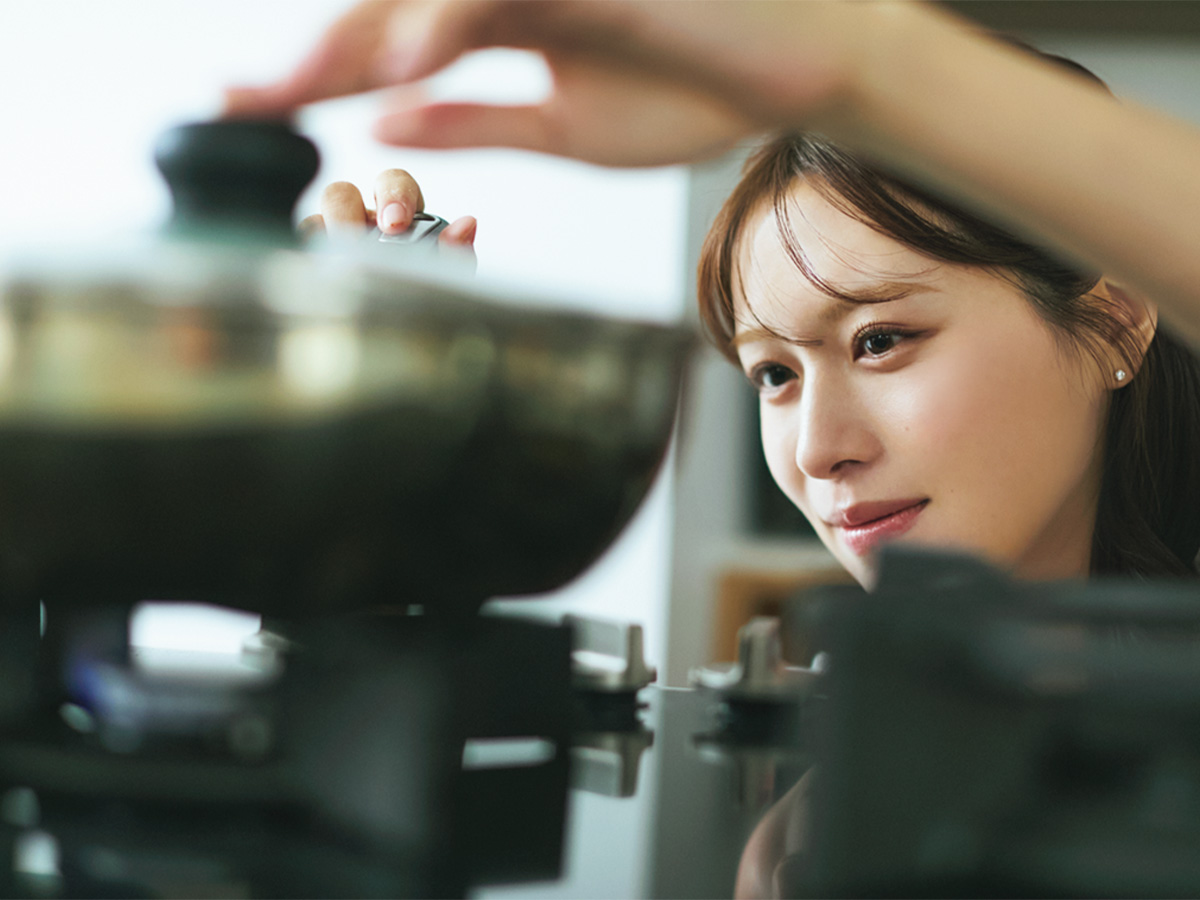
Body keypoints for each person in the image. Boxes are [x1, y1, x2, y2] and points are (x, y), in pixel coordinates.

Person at [225, 3, 1200, 894]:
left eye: (881, 341)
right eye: (774, 374)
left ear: (1114, 326)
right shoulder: (775, 749)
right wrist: (368, 505)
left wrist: (858, 60)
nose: (819, 451)